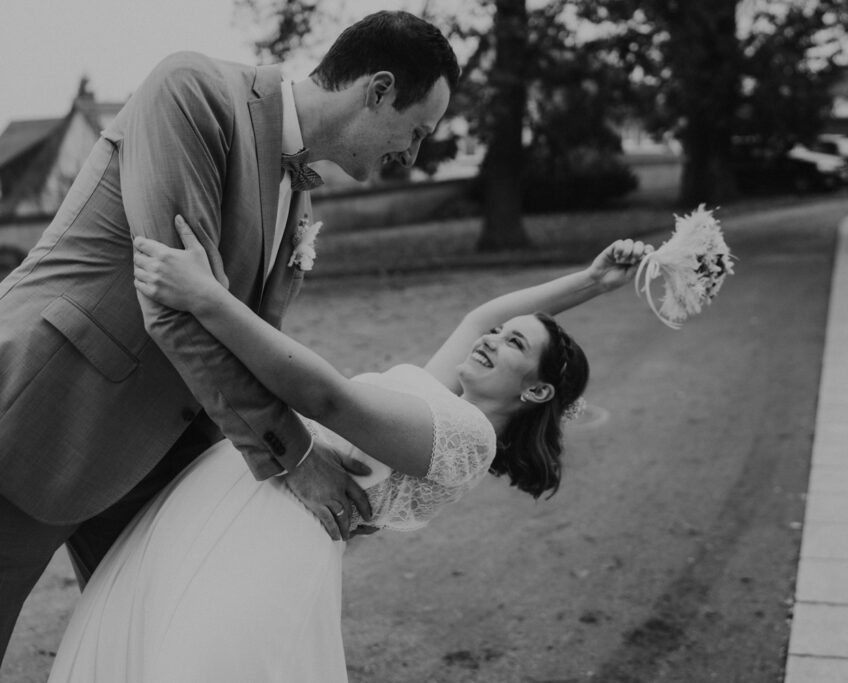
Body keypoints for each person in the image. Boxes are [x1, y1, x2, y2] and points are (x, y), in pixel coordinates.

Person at [0, 10, 461, 663]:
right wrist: (294, 458)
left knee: (148, 639)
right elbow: (174, 301)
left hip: (151, 454)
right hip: (43, 409)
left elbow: (246, 338)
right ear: (377, 90)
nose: (412, 155)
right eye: (415, 131)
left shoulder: (298, 197)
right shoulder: (195, 91)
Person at [43, 216, 653, 682]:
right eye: (501, 335)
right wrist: (593, 281)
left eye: (514, 344)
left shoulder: (467, 440)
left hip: (269, 531)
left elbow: (329, 402)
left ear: (538, 388)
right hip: (243, 497)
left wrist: (206, 298)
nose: (493, 338)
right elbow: (483, 313)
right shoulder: (447, 401)